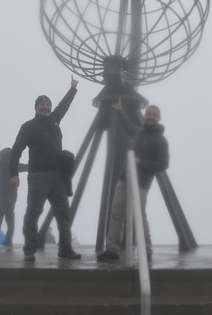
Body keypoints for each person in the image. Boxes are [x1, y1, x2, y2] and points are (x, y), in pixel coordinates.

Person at [9, 76, 81, 262]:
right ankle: (29, 250)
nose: (46, 107)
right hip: (38, 176)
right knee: (33, 213)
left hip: (57, 176)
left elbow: (63, 106)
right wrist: (13, 173)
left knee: (63, 213)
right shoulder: (28, 126)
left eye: (47, 105)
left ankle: (65, 249)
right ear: (36, 107)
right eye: (42, 105)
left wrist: (72, 88)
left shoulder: (54, 120)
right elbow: (17, 149)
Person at [97, 100, 169, 261]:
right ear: (144, 116)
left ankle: (147, 251)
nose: (150, 117)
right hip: (125, 179)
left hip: (141, 183)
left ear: (158, 118)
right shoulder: (139, 133)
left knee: (139, 215)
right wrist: (120, 111)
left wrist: (140, 163)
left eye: (154, 115)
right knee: (116, 214)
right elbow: (128, 125)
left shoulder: (160, 140)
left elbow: (163, 163)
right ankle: (112, 249)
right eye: (148, 114)